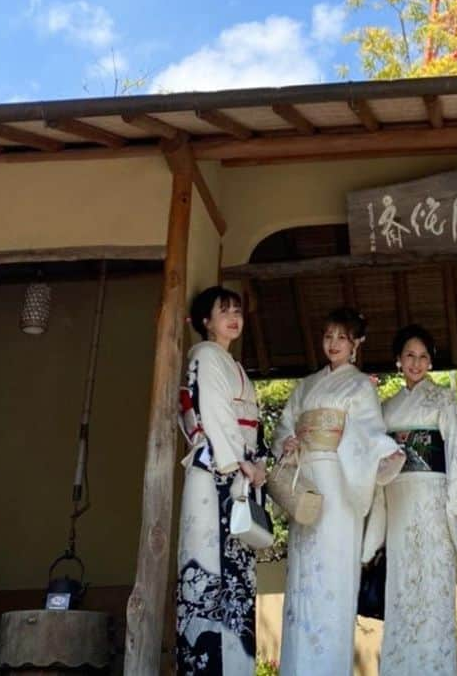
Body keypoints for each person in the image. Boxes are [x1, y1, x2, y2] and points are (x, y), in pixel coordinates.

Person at [273, 308, 403, 676]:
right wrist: (289, 442)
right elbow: (284, 426)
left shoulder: (360, 385)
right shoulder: (305, 386)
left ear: (356, 344)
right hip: (307, 483)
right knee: (302, 579)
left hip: (339, 483)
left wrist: (381, 452)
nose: (333, 344)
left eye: (342, 338)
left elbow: (367, 433)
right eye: (328, 336)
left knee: (333, 577)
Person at [366, 324, 457, 676]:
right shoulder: (385, 408)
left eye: (423, 357)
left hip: (435, 502)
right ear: (398, 360)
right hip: (399, 501)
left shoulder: (442, 399)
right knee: (402, 590)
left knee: (435, 592)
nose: (416, 362)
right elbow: (370, 455)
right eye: (409, 355)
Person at [176, 285, 266, 675]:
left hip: (238, 475)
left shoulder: (234, 365)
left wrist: (257, 464)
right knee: (210, 572)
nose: (234, 317)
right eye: (223, 311)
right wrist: (243, 463)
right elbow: (213, 413)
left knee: (237, 577)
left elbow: (251, 426)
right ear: (205, 321)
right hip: (216, 472)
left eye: (238, 311)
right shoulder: (206, 356)